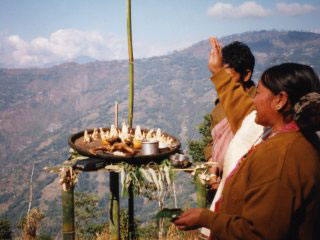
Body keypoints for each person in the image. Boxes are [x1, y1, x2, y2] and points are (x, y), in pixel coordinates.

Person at [174, 37, 320, 240]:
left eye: (259, 93)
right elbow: (238, 103)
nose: (254, 99)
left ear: (280, 100)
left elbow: (258, 233)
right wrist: (218, 71)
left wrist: (207, 219)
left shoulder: (280, 158)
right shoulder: (269, 128)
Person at [204, 41, 256, 191]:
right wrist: (212, 167)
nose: (222, 83)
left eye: (226, 77)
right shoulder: (219, 107)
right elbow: (212, 142)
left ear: (246, 75)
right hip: (219, 182)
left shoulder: (257, 108)